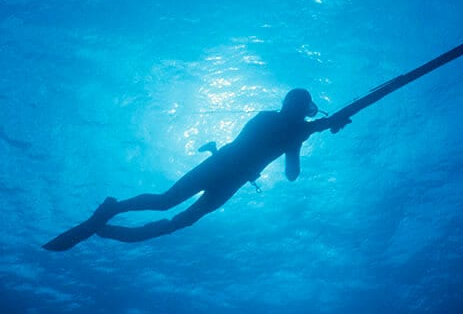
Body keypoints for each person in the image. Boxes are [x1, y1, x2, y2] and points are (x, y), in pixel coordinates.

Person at [43, 89, 348, 250]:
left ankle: (111, 222)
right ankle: (112, 211)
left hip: (227, 175)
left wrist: (321, 128)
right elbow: (289, 160)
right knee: (168, 204)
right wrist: (324, 125)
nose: (297, 110)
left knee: (180, 215)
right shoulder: (280, 124)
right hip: (224, 171)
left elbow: (292, 170)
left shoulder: (294, 131)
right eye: (298, 106)